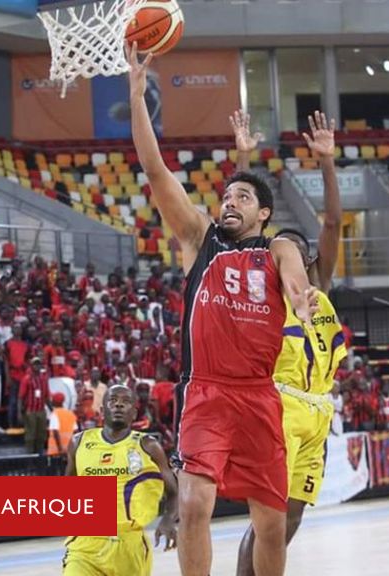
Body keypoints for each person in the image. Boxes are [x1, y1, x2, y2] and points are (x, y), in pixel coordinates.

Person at [129, 44, 317, 576]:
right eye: (225, 196)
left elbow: (294, 275)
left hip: (259, 394)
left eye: (241, 196)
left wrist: (300, 297)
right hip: (206, 390)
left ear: (263, 212)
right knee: (192, 505)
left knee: (272, 524)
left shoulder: (277, 246)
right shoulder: (199, 239)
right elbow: (154, 167)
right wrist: (139, 96)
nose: (228, 201)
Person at [231, 110, 345, 576]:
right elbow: (240, 230)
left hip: (317, 411)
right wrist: (242, 156)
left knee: (291, 517)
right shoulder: (266, 294)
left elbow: (334, 223)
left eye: (298, 247)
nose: (289, 252)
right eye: (283, 248)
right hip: (278, 405)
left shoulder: (321, 291)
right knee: (267, 521)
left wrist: (327, 163)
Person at [64, 385, 178, 575]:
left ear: (134, 413)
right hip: (85, 545)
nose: (118, 405)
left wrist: (168, 520)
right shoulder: (79, 442)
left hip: (129, 545)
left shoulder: (148, 446)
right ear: (102, 410)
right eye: (113, 400)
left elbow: (174, 492)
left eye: (125, 402)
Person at [20, 356, 50, 454]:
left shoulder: (44, 379)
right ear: (31, 366)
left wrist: (53, 410)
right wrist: (20, 412)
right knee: (30, 435)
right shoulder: (26, 379)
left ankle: (39, 454)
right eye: (35, 364)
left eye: (38, 364)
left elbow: (46, 396)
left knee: (41, 434)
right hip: (30, 410)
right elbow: (21, 397)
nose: (37, 366)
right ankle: (30, 455)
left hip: (41, 410)